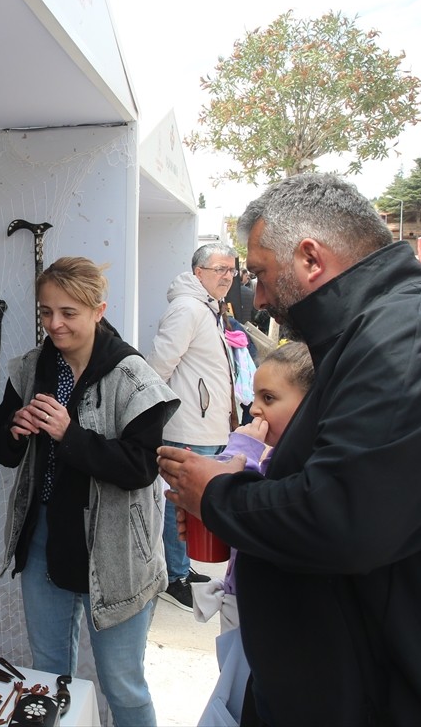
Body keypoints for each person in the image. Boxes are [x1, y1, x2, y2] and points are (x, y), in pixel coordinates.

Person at [158, 173, 421, 725]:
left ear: (309, 259)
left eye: (260, 275)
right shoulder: (371, 333)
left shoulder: (412, 337)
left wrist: (220, 497)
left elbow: (345, 515)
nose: (256, 296)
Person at [0, 257, 179, 727]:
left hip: (116, 550)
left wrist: (70, 436)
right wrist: (15, 428)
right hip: (46, 537)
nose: (54, 324)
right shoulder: (32, 369)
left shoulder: (132, 377)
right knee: (50, 676)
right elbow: (1, 450)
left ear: (98, 310)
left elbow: (140, 467)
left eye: (68, 312)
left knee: (123, 686)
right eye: (46, 311)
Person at [193, 342, 313, 726]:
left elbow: (245, 499)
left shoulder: (297, 467)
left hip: (265, 622)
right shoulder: (272, 456)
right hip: (240, 607)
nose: (255, 408)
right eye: (255, 396)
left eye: (270, 397)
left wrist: (239, 450)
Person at [147, 242, 238, 611]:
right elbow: (159, 364)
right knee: (178, 503)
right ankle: (174, 576)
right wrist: (148, 415)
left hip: (206, 425)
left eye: (232, 270)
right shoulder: (187, 307)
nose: (227, 276)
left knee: (192, 501)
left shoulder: (205, 307)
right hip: (188, 426)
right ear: (198, 272)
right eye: (219, 269)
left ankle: (181, 568)